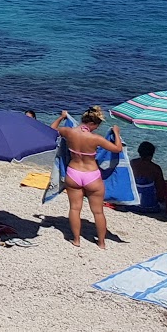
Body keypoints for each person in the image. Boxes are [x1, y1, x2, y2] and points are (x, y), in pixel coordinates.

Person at [53, 106, 123, 248]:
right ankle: (101, 243)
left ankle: (76, 240)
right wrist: (116, 133)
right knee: (98, 211)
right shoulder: (95, 138)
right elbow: (117, 149)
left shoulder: (69, 132)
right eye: (97, 125)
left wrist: (62, 117)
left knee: (74, 209)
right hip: (92, 175)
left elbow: (52, 129)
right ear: (93, 123)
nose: (97, 128)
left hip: (73, 173)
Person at [130, 141, 167, 206]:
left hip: (131, 203)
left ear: (139, 152)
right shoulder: (156, 168)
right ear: (152, 154)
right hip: (149, 205)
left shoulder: (132, 163)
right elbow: (161, 190)